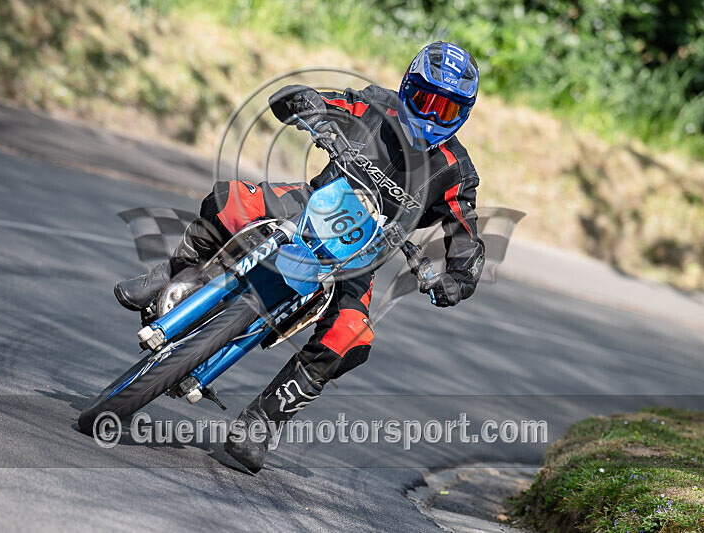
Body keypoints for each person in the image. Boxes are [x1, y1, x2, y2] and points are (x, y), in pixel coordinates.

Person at [114, 41, 485, 472]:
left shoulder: (455, 170)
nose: (433, 115)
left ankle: (262, 423)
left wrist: (457, 277)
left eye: (448, 109)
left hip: (360, 261)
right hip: (306, 204)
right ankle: (171, 274)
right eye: (426, 100)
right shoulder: (371, 105)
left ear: (464, 115)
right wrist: (304, 104)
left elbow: (467, 238)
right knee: (228, 200)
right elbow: (312, 99)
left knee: (352, 337)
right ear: (407, 86)